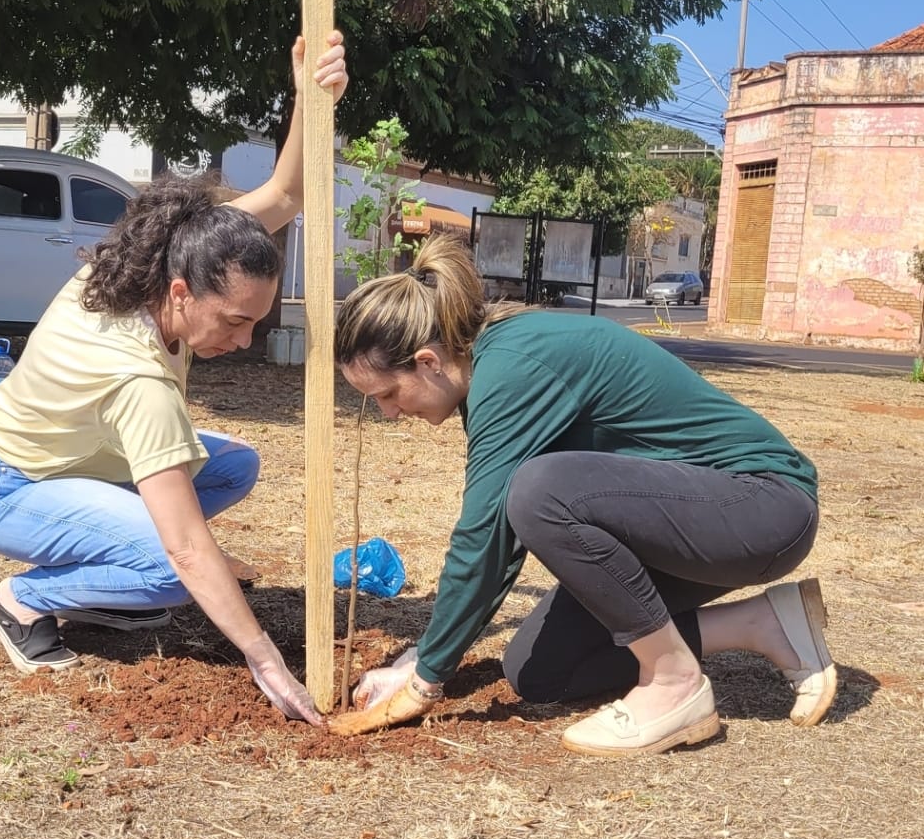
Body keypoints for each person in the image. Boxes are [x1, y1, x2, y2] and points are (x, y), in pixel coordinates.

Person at [0, 34, 347, 726]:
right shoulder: (137, 380)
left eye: (256, 321)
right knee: (170, 570)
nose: (244, 339)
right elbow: (188, 549)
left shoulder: (179, 256)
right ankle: (22, 600)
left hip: (75, 464)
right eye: (233, 321)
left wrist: (309, 98)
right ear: (181, 293)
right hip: (5, 488)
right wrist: (262, 655)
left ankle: (105, 581)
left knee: (231, 466)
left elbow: (285, 193)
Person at [329, 234, 835, 754]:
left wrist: (424, 679)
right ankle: (763, 623)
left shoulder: (513, 367)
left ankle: (675, 684)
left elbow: (486, 537)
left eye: (387, 395)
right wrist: (422, 656)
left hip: (761, 508)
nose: (390, 413)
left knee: (537, 491)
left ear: (428, 361)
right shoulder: (491, 362)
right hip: (691, 522)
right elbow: (497, 550)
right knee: (541, 672)